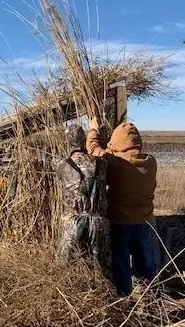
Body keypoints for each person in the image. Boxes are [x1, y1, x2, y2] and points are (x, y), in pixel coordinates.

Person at [86, 118, 159, 296]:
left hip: (120, 223)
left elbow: (93, 150)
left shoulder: (115, 163)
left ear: (117, 142)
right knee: (145, 266)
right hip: (145, 223)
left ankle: (124, 301)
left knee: (121, 266)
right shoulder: (151, 162)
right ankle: (149, 303)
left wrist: (93, 130)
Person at [56, 124, 111, 278]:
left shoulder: (62, 165)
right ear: (84, 140)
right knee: (101, 270)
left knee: (64, 268)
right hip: (99, 222)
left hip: (73, 222)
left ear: (67, 141)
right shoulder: (102, 163)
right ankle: (102, 296)